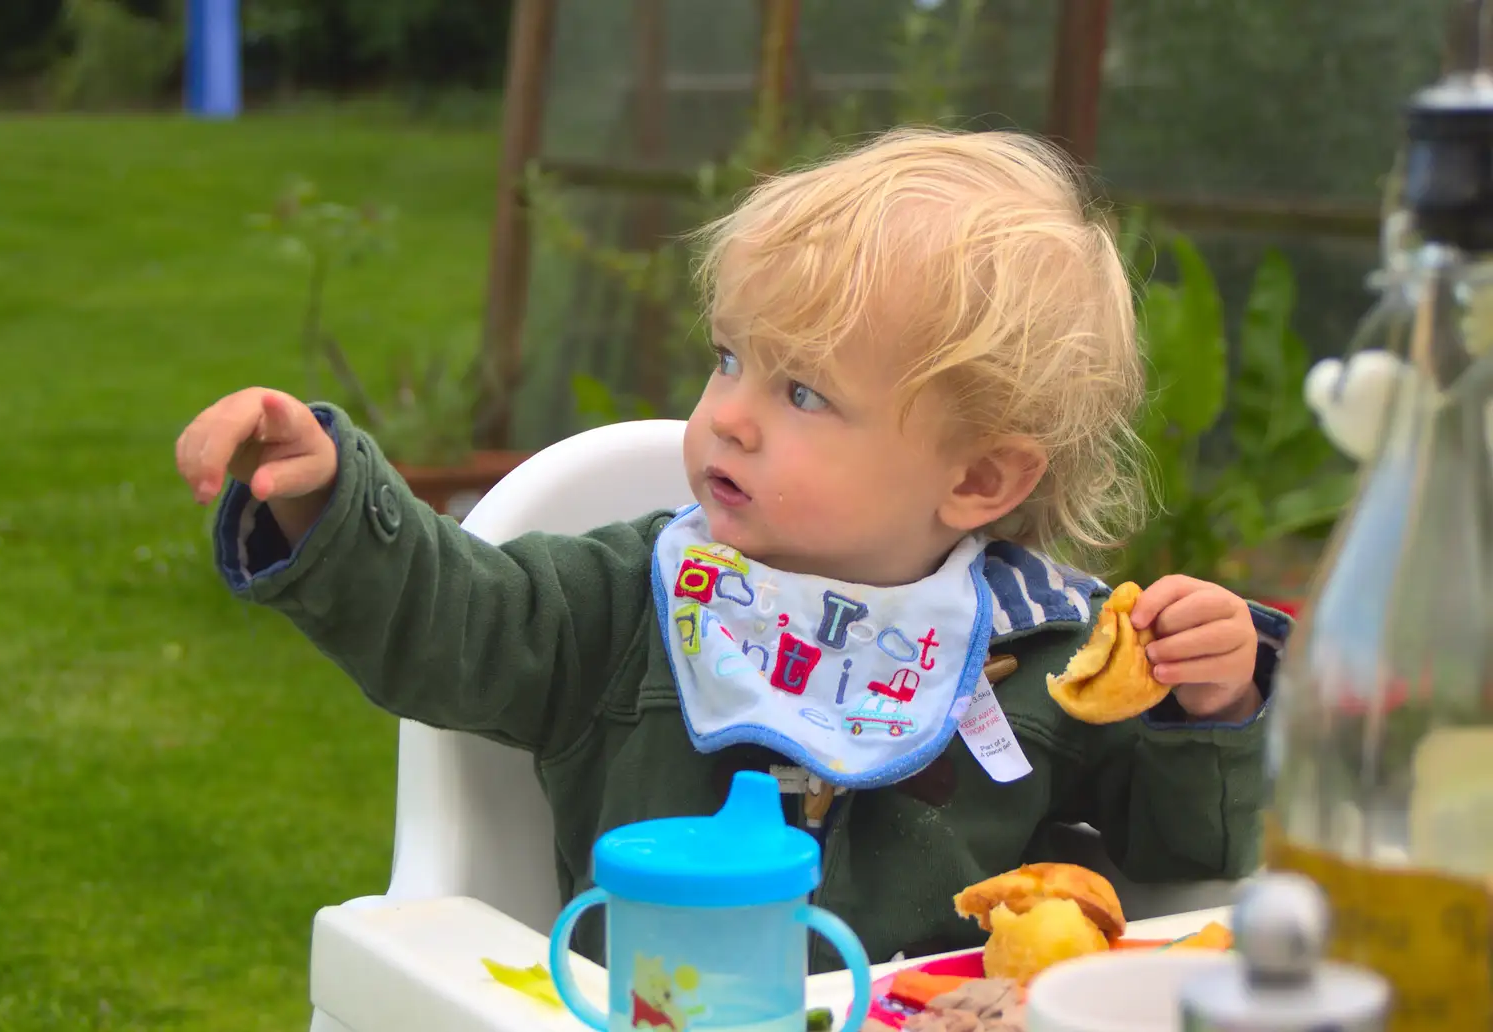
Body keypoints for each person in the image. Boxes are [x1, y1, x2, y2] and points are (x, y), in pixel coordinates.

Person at [175, 127, 1288, 969]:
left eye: (801, 390)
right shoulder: (628, 602)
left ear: (977, 480)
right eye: (727, 359)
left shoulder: (1043, 645)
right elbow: (446, 621)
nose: (732, 416)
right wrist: (325, 498)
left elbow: (1190, 860)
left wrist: (1212, 704)